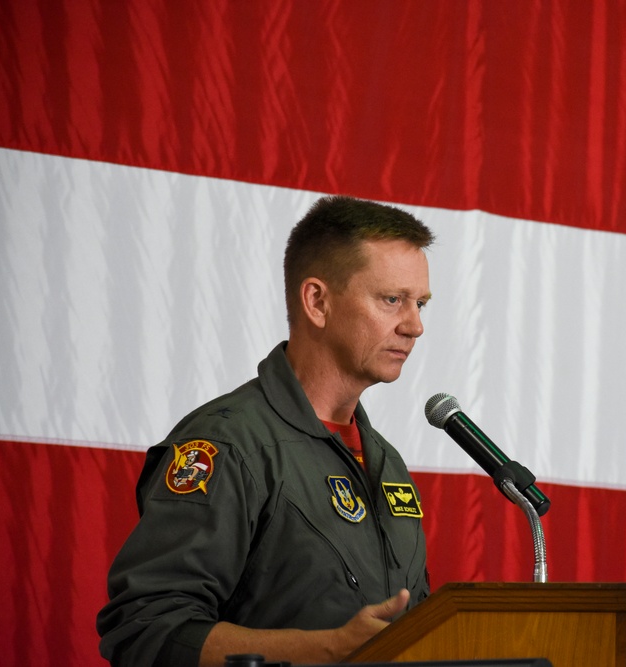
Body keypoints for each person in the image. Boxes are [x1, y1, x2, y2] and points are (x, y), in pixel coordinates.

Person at [97, 195, 435, 666]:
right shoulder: (227, 445)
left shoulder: (386, 461)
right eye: (392, 300)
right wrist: (330, 649)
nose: (415, 325)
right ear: (317, 301)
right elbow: (145, 630)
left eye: (420, 303)